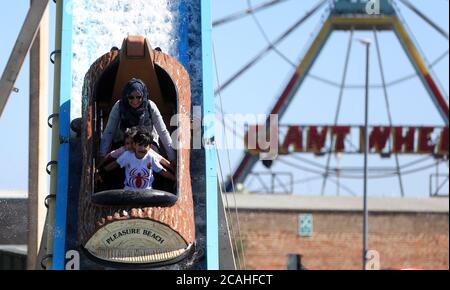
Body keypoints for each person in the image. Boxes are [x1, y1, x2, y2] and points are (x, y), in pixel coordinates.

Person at [99, 78, 176, 162]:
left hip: (146, 142)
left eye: (138, 97)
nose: (135, 101)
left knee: (152, 158)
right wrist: (102, 155)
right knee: (119, 159)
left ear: (143, 95)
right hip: (125, 142)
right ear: (126, 96)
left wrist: (172, 157)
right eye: (131, 97)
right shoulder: (119, 106)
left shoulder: (150, 106)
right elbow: (109, 131)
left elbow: (162, 132)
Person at [100, 130, 176, 191]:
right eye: (140, 145)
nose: (142, 148)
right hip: (129, 190)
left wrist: (175, 178)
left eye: (145, 146)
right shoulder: (127, 155)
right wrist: (100, 172)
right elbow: (115, 164)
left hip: (147, 191)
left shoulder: (151, 157)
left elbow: (161, 171)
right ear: (135, 145)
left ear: (150, 147)